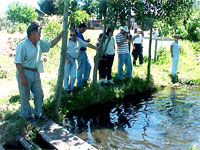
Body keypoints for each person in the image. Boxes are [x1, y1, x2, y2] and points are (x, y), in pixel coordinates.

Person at [14, 21, 64, 121]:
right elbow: (18, 63)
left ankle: (38, 114)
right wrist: (22, 77)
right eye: (39, 32)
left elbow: (51, 44)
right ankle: (27, 116)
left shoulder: (39, 43)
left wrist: (61, 35)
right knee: (25, 96)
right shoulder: (22, 45)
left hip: (35, 73)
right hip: (24, 72)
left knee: (39, 94)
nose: (40, 35)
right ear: (32, 33)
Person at [64, 30, 98, 96]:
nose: (72, 37)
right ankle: (66, 89)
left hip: (73, 60)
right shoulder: (67, 42)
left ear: (76, 36)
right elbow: (63, 51)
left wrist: (96, 48)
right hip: (68, 58)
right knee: (66, 75)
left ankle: (70, 88)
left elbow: (87, 44)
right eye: (71, 35)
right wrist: (67, 59)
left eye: (73, 35)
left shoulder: (79, 41)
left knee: (73, 76)